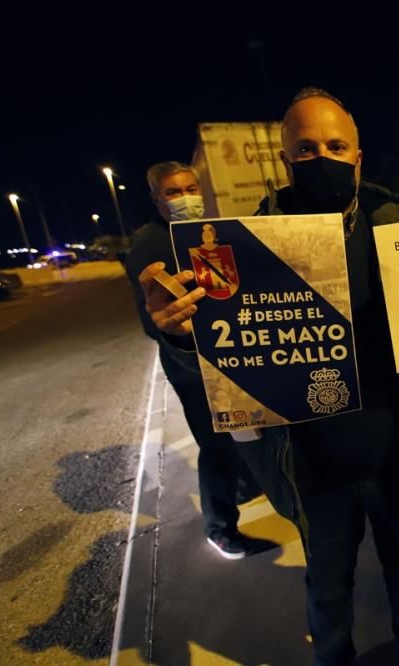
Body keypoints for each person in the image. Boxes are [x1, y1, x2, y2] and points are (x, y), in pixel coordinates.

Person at [138, 87, 399, 666]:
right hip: (314, 465)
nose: (323, 156)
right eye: (306, 147)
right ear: (286, 160)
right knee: (328, 583)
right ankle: (333, 657)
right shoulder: (245, 247)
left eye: (336, 145)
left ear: (359, 158)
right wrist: (180, 333)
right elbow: (221, 361)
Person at [124, 160, 265, 560]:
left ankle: (244, 487)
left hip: (227, 356)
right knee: (217, 445)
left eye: (191, 188)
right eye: (173, 192)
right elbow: (153, 324)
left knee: (247, 432)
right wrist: (183, 334)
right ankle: (219, 529)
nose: (186, 198)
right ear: (156, 200)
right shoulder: (149, 249)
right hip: (190, 368)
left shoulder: (211, 234)